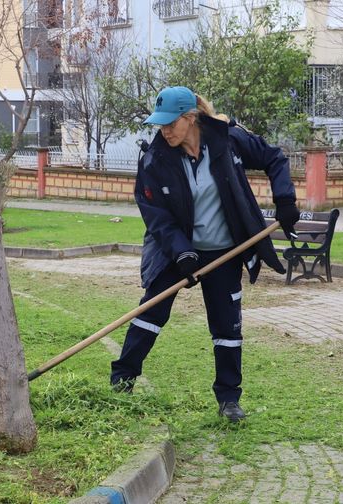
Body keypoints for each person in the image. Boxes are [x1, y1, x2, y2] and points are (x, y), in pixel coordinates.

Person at [110, 86, 300, 423]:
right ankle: (121, 382)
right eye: (160, 125)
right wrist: (181, 253)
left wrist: (284, 199)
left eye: (171, 123)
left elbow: (274, 157)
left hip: (225, 252)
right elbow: (155, 214)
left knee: (227, 327)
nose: (164, 130)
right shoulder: (155, 160)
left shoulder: (228, 140)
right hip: (177, 251)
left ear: (191, 117)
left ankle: (229, 400)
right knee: (150, 313)